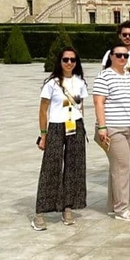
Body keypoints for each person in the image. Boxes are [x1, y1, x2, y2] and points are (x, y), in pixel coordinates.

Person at [32, 48, 88, 231]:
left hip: (75, 126)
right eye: (66, 59)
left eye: (73, 59)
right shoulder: (52, 83)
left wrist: (81, 126)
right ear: (60, 61)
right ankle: (40, 212)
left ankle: (68, 206)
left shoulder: (80, 82)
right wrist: (43, 134)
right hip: (56, 127)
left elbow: (82, 106)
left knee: (74, 167)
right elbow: (43, 110)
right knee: (51, 167)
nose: (69, 63)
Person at [93, 43, 130, 222]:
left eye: (125, 56)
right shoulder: (104, 76)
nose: (122, 58)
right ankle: (122, 209)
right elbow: (99, 102)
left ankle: (113, 206)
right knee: (123, 167)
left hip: (129, 128)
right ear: (111, 56)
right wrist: (102, 126)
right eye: (119, 55)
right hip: (113, 128)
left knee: (118, 167)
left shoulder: (129, 77)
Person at [100, 21, 130, 192]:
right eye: (124, 34)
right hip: (115, 102)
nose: (127, 37)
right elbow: (104, 76)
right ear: (119, 35)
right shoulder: (109, 54)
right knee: (115, 141)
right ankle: (119, 175)